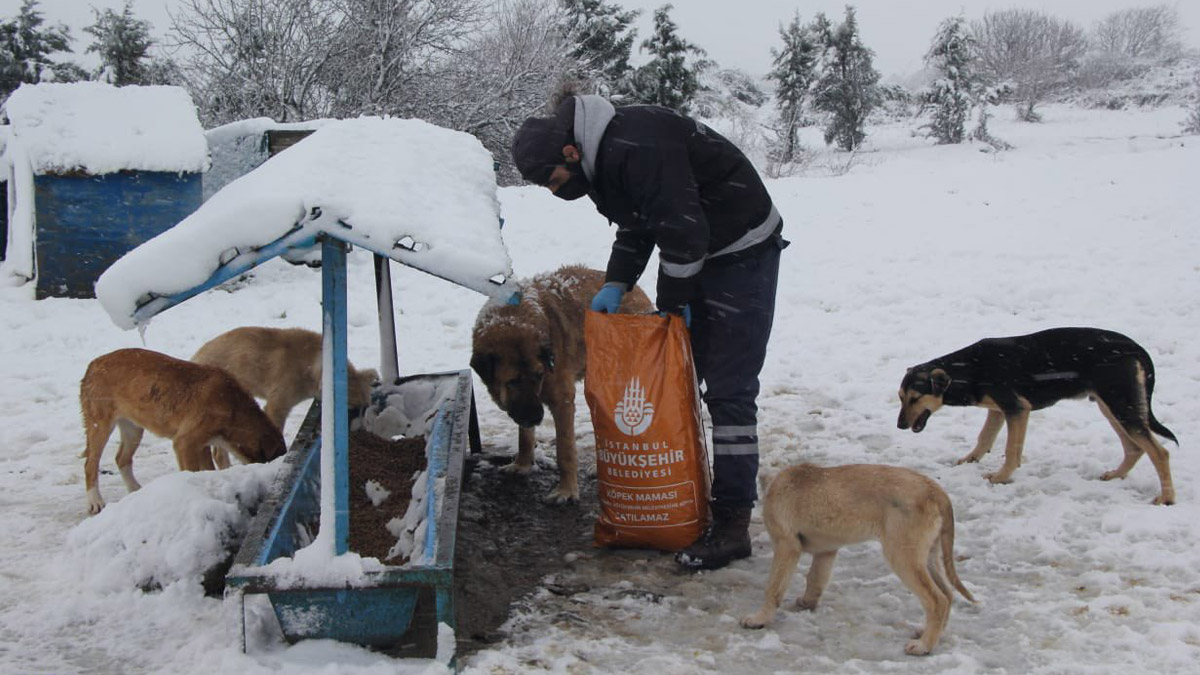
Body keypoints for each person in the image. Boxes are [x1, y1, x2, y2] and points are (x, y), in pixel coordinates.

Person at [511, 93, 788, 571]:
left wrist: (672, 309)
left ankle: (732, 523)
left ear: (569, 153)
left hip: (742, 249)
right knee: (684, 378)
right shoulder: (603, 158)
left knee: (729, 389)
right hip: (703, 246)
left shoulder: (636, 147)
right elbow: (639, 224)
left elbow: (682, 232)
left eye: (552, 181)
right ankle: (687, 494)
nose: (555, 192)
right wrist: (617, 281)